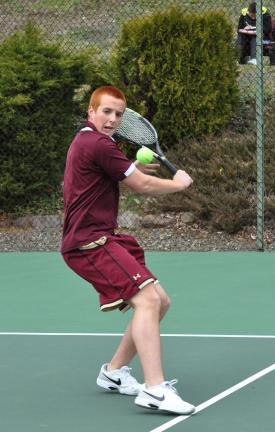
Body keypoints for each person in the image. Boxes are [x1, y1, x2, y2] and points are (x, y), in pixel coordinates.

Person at [61, 85, 195, 415]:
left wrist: (133, 171)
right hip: (88, 242)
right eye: (106, 111)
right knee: (148, 299)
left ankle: (115, 373)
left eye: (118, 114)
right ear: (91, 113)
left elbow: (122, 175)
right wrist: (177, 185)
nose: (112, 118)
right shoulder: (97, 142)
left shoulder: (91, 142)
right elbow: (142, 185)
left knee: (159, 301)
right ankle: (155, 389)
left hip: (98, 237)